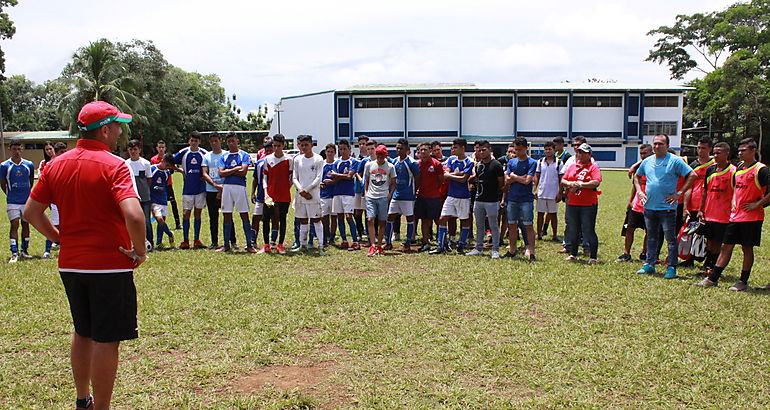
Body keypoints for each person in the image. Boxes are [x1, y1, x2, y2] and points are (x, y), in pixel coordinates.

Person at [24, 101, 147, 410]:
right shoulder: (115, 164)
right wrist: (140, 250)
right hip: (109, 265)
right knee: (106, 340)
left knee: (83, 332)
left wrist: (59, 239)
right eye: (117, 126)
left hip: (71, 265)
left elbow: (31, 212)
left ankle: (83, 400)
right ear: (104, 130)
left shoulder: (55, 165)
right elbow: (133, 214)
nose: (120, 131)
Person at [696, 138, 770, 291]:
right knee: (725, 246)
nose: (740, 153)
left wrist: (757, 204)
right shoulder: (740, 168)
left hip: (752, 217)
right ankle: (713, 278)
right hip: (736, 216)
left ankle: (743, 281)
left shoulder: (761, 169)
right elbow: (736, 188)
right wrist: (735, 201)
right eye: (739, 151)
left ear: (753, 151)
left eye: (744, 150)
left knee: (746, 248)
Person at [634, 134, 697, 279]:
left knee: (670, 239)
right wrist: (639, 191)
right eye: (655, 144)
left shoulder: (675, 161)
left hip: (667, 208)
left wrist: (679, 193)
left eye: (660, 144)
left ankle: (671, 267)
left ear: (667, 146)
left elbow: (692, 175)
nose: (657, 146)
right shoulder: (648, 161)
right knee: (651, 237)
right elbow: (637, 176)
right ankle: (650, 264)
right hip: (650, 207)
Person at [696, 142, 735, 274]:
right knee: (710, 241)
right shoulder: (710, 170)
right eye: (715, 153)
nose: (716, 155)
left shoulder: (733, 171)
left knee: (718, 242)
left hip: (724, 215)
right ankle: (709, 264)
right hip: (709, 213)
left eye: (719, 153)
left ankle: (713, 267)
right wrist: (701, 210)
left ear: (727, 153)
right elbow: (705, 191)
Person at [561, 143, 602, 265]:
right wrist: (570, 184)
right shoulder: (573, 166)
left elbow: (596, 182)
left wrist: (580, 184)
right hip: (573, 202)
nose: (580, 155)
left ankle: (593, 256)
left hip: (588, 204)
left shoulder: (593, 167)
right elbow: (563, 179)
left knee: (588, 230)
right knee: (573, 229)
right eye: (578, 152)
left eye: (583, 152)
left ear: (589, 154)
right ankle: (573, 253)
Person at [431, 138, 473, 255]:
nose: (453, 150)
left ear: (462, 148)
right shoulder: (451, 159)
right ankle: (441, 246)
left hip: (463, 196)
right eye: (452, 147)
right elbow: (445, 174)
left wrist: (452, 176)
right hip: (451, 195)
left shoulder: (469, 161)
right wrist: (457, 175)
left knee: (464, 220)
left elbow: (464, 179)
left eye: (455, 147)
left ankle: (461, 245)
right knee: (442, 219)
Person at [217, 132, 255, 253]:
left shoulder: (243, 155)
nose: (231, 143)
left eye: (233, 141)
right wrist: (235, 169)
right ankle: (226, 244)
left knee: (244, 215)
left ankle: (249, 244)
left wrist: (229, 170)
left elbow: (243, 171)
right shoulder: (224, 156)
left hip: (240, 187)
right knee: (226, 215)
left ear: (237, 141)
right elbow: (221, 173)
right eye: (229, 141)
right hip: (227, 187)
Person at [466, 140, 504, 258]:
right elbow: (476, 178)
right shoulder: (479, 165)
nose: (481, 152)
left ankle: (495, 249)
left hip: (492, 200)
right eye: (479, 150)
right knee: (479, 225)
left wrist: (499, 199)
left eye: (484, 150)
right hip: (479, 200)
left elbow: (501, 184)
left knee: (493, 225)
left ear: (489, 149)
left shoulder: (496, 165)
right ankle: (478, 247)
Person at [502, 137, 537, 261]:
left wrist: (514, 177)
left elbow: (528, 181)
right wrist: (519, 178)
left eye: (520, 149)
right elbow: (507, 180)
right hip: (512, 198)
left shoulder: (532, 162)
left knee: (528, 225)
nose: (517, 152)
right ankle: (512, 249)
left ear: (526, 148)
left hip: (526, 199)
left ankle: (531, 250)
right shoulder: (511, 162)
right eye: (516, 149)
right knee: (512, 225)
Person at [616, 143, 653, 262]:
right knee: (629, 228)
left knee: (649, 231)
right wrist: (630, 201)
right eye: (641, 153)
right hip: (637, 205)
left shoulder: (656, 166)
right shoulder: (639, 168)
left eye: (645, 153)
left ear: (651, 153)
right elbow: (634, 186)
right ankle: (626, 253)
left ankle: (644, 254)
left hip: (650, 205)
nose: (643, 156)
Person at [202, 132, 237, 250]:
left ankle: (232, 241)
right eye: (211, 141)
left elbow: (230, 171)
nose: (213, 143)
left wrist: (222, 187)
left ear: (220, 140)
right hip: (211, 190)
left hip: (225, 189)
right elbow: (204, 173)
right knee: (213, 217)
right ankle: (214, 242)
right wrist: (215, 185)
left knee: (228, 216)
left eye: (215, 141)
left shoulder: (226, 155)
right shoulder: (207, 156)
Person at [384, 138, 420, 252]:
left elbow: (417, 178)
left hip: (408, 196)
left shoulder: (412, 163)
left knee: (409, 218)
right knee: (390, 217)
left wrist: (413, 191)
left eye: (401, 148)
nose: (399, 150)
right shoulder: (394, 162)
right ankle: (388, 242)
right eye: (397, 148)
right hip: (396, 195)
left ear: (407, 150)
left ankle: (408, 243)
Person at [0, 141, 35, 262]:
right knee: (14, 224)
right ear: (10, 149)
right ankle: (14, 252)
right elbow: (3, 183)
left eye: (19, 149)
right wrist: (10, 194)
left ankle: (24, 250)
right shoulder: (4, 166)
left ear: (22, 149)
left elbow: (30, 181)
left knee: (26, 224)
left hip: (26, 201)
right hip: (13, 201)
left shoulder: (28, 164)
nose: (17, 151)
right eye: (14, 149)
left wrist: (26, 193)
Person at [174, 131, 208, 249]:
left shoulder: (204, 153)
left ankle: (196, 240)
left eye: (196, 141)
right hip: (187, 189)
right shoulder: (184, 152)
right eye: (192, 140)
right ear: (189, 141)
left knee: (198, 213)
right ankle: (185, 241)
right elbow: (170, 161)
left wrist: (206, 175)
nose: (194, 143)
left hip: (200, 189)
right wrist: (179, 170)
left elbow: (209, 167)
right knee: (186, 214)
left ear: (199, 142)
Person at [292, 135, 325, 254]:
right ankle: (303, 244)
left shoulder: (318, 159)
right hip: (301, 195)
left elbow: (318, 178)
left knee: (316, 220)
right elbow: (294, 177)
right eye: (302, 144)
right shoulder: (297, 159)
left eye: (306, 144)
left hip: (313, 195)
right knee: (303, 220)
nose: (304, 147)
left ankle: (321, 246)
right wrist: (301, 190)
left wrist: (308, 190)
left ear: (312, 145)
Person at [364, 144, 396, 256]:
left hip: (383, 197)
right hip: (371, 196)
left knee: (382, 221)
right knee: (370, 219)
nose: (380, 158)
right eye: (378, 155)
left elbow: (393, 183)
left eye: (382, 156)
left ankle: (379, 245)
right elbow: (366, 181)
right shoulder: (369, 165)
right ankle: (372, 245)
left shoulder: (390, 167)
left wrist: (389, 195)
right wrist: (366, 193)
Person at [263, 134, 293, 254]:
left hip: (284, 195)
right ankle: (266, 245)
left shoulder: (289, 159)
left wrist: (286, 188)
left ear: (283, 146)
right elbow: (265, 177)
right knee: (266, 219)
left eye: (278, 146)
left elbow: (291, 178)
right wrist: (266, 193)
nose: (276, 148)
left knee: (282, 219)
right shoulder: (267, 159)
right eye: (274, 146)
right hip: (270, 194)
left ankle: (280, 244)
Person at [330, 140, 360, 250]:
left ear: (349, 149)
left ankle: (355, 241)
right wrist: (341, 176)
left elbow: (349, 176)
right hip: (337, 192)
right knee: (340, 216)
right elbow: (335, 177)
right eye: (340, 149)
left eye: (344, 149)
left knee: (349, 216)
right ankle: (344, 240)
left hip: (348, 193)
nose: (342, 151)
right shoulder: (336, 162)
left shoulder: (353, 162)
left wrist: (338, 176)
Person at [415, 142, 444, 252]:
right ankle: (426, 242)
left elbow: (441, 179)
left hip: (434, 197)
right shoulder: (418, 164)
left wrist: (435, 190)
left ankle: (442, 242)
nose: (423, 152)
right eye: (421, 150)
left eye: (425, 150)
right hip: (422, 196)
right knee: (424, 220)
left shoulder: (436, 164)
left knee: (438, 220)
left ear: (430, 151)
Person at [40, 141, 67, 259]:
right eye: (61, 152)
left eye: (65, 152)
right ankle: (47, 250)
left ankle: (65, 247)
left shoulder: (67, 163)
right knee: (55, 225)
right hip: (56, 200)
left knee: (66, 225)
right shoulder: (50, 165)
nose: (64, 154)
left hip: (67, 199)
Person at [126, 139, 154, 250]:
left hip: (145, 197)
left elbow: (149, 180)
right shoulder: (126, 164)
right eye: (131, 149)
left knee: (147, 221)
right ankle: (135, 243)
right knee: (132, 222)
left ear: (139, 150)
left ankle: (150, 243)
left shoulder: (145, 163)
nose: (133, 152)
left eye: (135, 149)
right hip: (132, 197)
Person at [534, 141, 563, 241]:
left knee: (553, 214)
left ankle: (555, 235)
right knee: (540, 214)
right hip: (542, 192)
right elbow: (537, 177)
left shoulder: (559, 162)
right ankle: (539, 234)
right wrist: (535, 189)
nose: (547, 151)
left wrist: (560, 192)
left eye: (550, 149)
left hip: (553, 193)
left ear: (554, 150)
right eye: (546, 149)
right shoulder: (540, 162)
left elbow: (561, 178)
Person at [150, 140, 181, 230]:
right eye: (159, 147)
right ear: (157, 148)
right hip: (156, 187)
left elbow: (173, 168)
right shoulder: (153, 160)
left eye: (162, 147)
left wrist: (181, 171)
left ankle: (178, 223)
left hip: (167, 184)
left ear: (165, 148)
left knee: (173, 202)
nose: (161, 149)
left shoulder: (169, 158)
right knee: (157, 205)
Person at [250, 139, 274, 253]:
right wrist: (252, 192)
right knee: (256, 218)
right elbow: (255, 179)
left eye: (271, 150)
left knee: (274, 218)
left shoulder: (277, 162)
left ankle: (273, 242)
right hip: (261, 196)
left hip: (274, 196)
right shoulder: (259, 163)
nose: (269, 152)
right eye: (267, 150)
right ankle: (252, 240)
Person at [150, 154, 176, 249]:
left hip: (163, 199)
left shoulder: (167, 173)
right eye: (167, 165)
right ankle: (169, 233)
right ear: (163, 161)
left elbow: (165, 186)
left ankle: (159, 242)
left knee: (161, 222)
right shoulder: (152, 169)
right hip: (154, 199)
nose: (167, 168)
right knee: (159, 219)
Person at [320, 143, 338, 246]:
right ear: (325, 152)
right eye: (328, 152)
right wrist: (321, 183)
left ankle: (332, 236)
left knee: (334, 217)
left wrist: (332, 181)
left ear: (334, 153)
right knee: (324, 217)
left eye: (332, 152)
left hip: (334, 194)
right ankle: (325, 235)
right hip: (324, 194)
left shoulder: (337, 163)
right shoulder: (321, 164)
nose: (330, 154)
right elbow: (317, 177)